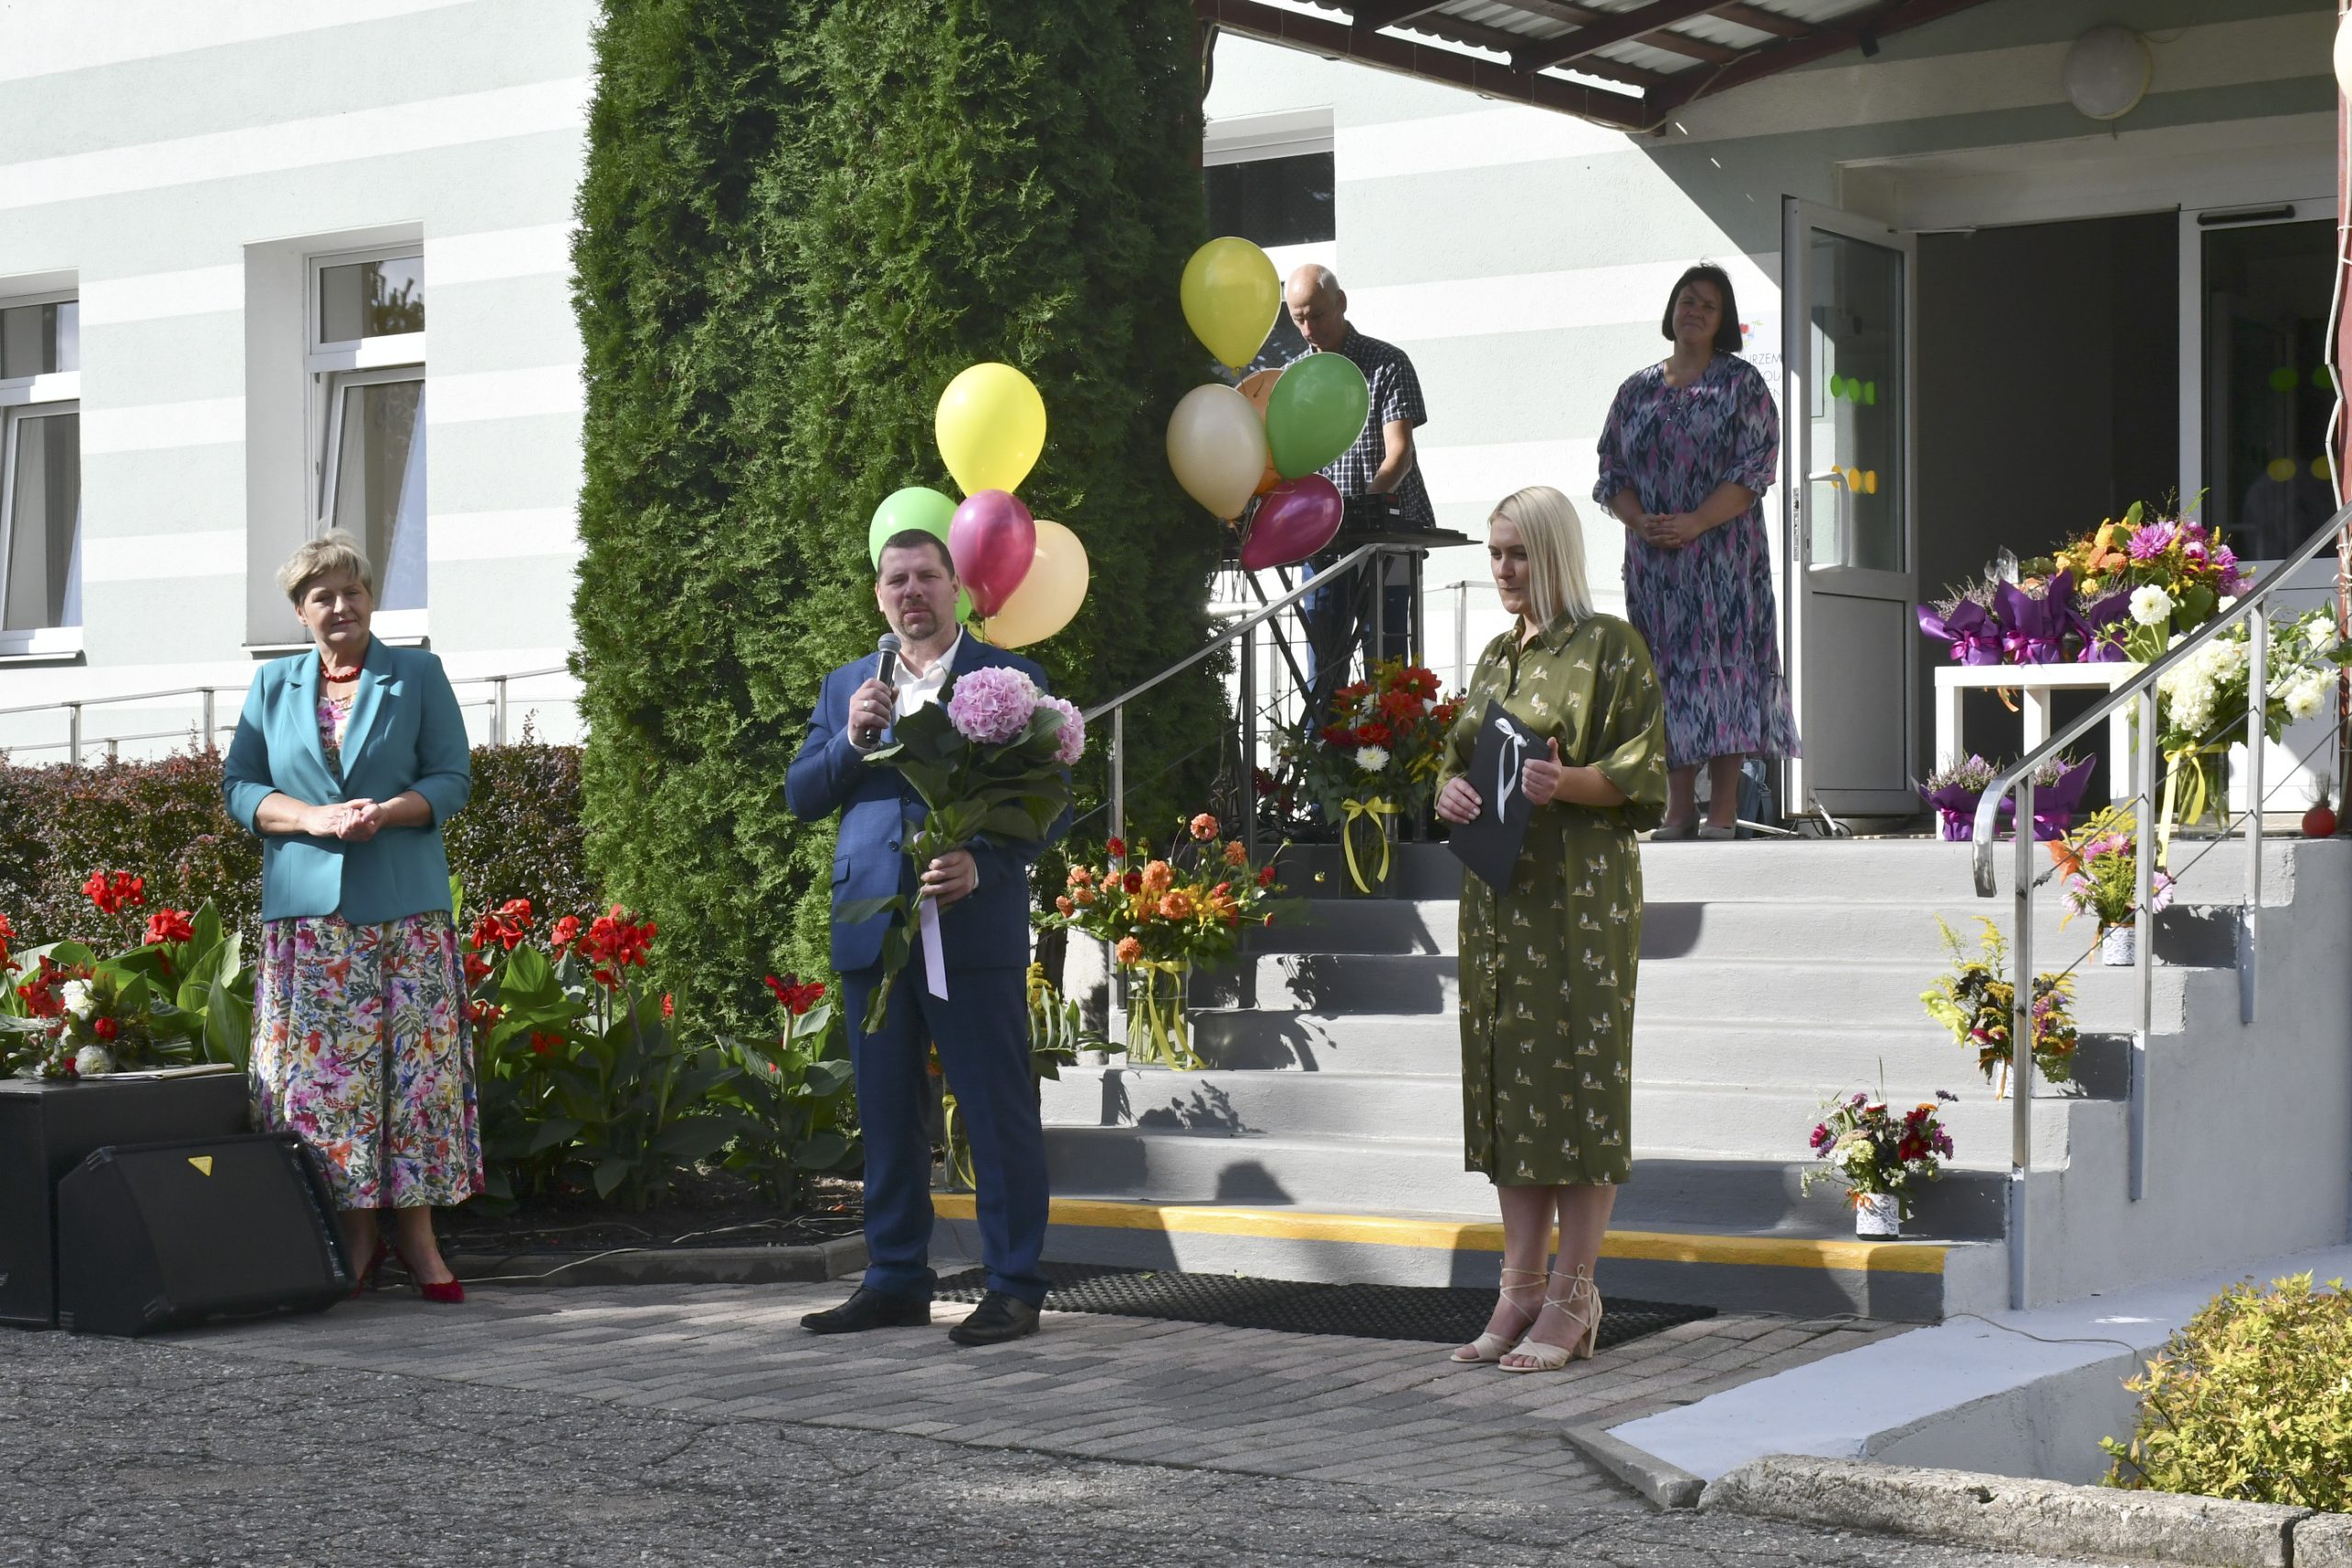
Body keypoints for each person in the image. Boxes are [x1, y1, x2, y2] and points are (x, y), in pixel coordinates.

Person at [786, 529, 1063, 1347]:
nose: (912, 591)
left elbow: (1051, 802)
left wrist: (985, 861)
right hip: (873, 925)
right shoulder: (849, 684)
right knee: (885, 1112)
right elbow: (802, 794)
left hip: (968, 925)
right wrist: (850, 740)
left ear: (956, 589)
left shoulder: (1007, 680)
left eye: (928, 577)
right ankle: (896, 1277)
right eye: (897, 579)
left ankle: (1013, 1284)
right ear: (880, 596)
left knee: (994, 1109)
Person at [1434, 486, 1666, 1371]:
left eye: (1519, 553)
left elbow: (1643, 775)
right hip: (1498, 900)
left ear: (1556, 553)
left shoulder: (1609, 647)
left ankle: (1574, 1292)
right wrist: (1449, 794)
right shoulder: (1497, 657)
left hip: (1579, 898)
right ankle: (1520, 1288)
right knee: (1512, 1082)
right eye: (1495, 552)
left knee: (1578, 1081)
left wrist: (1565, 783)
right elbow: (1457, 761)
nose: (1504, 569)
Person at [222, 531, 478, 1304]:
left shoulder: (418, 674)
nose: (341, 606)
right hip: (310, 922)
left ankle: (419, 1238)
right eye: (322, 596)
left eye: (353, 591)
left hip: (404, 916)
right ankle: (356, 1235)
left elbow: (453, 778)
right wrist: (311, 817)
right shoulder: (272, 685)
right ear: (301, 612)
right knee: (329, 1089)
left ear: (371, 598)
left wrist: (387, 811)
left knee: (413, 1079)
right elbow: (241, 787)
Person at [1596, 262, 1797, 840]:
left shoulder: (1742, 385)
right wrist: (1640, 521)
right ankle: (1678, 808)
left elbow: (1755, 469)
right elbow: (1612, 471)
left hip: (1725, 559)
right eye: (1688, 300)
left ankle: (1724, 809)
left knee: (1727, 671)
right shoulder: (1635, 391)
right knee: (1666, 676)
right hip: (1655, 564)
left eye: (1709, 305)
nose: (1695, 311)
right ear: (1672, 309)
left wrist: (1696, 522)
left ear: (1722, 320)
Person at [1284, 265, 1434, 718]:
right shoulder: (1294, 377)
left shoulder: (1387, 362)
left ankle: (1394, 759)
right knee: (1323, 677)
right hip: (1322, 546)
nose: (1309, 329)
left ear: (1342, 303)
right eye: (1298, 318)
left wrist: (1359, 511)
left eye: (1317, 315)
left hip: (1387, 541)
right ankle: (1323, 762)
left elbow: (1399, 454)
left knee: (1387, 669)